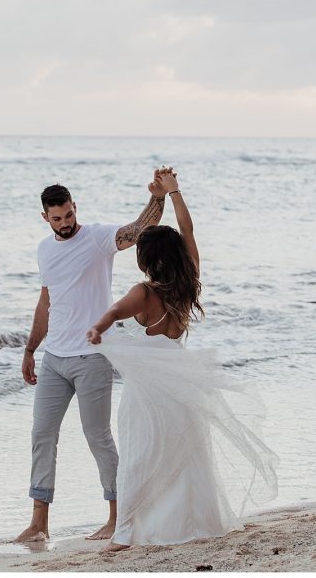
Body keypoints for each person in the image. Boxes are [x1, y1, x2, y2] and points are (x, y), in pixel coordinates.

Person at [87, 169, 277, 551]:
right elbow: (188, 233)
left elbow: (110, 314)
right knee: (187, 457)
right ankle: (192, 523)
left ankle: (126, 532)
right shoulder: (187, 282)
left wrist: (95, 331)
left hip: (149, 392)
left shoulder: (142, 292)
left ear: (145, 258)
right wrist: (173, 193)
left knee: (141, 455)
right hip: (183, 380)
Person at [16, 173, 168, 543]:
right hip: (54, 357)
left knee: (97, 436)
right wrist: (31, 348)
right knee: (41, 434)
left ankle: (117, 517)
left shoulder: (97, 239)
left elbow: (138, 230)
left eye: (68, 215)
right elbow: (46, 301)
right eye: (57, 219)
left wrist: (159, 197)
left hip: (92, 357)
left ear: (74, 208)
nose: (65, 223)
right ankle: (39, 523)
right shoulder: (45, 250)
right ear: (45, 218)